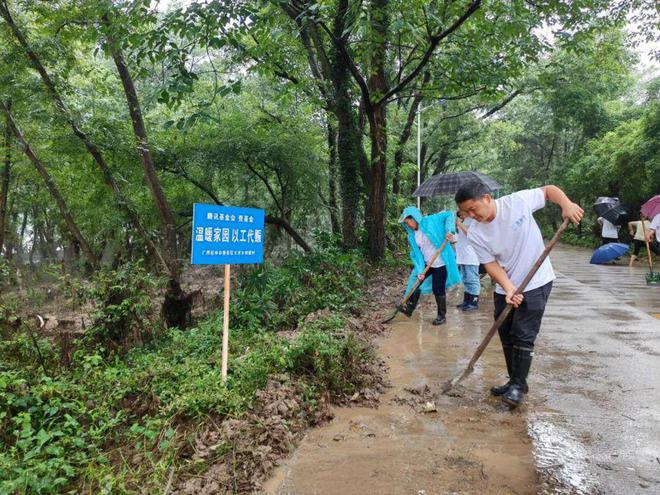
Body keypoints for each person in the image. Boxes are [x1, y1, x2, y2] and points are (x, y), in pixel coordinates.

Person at [454, 182, 583, 407]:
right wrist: (509, 288)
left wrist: (567, 204)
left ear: (487, 198)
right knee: (505, 331)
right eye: (467, 212)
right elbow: (490, 264)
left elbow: (548, 190)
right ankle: (516, 381)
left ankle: (517, 388)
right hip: (506, 285)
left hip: (536, 280)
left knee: (523, 333)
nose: (472, 215)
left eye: (473, 209)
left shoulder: (517, 203)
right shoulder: (475, 232)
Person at [399, 206, 461, 325]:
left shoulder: (431, 220)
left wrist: (449, 230)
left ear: (415, 217)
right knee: (416, 282)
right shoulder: (411, 236)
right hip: (427, 264)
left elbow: (449, 214)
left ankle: (442, 316)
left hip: (441, 263)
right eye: (406, 223)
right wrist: (420, 270)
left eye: (409, 221)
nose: (409, 225)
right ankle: (409, 308)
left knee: (438, 288)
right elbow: (415, 255)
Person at [453, 211, 481, 311]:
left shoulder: (474, 221)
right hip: (463, 255)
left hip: (471, 255)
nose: (460, 214)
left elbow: (471, 234)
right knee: (466, 279)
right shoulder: (464, 221)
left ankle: (473, 302)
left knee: (472, 279)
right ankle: (467, 300)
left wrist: (459, 224)